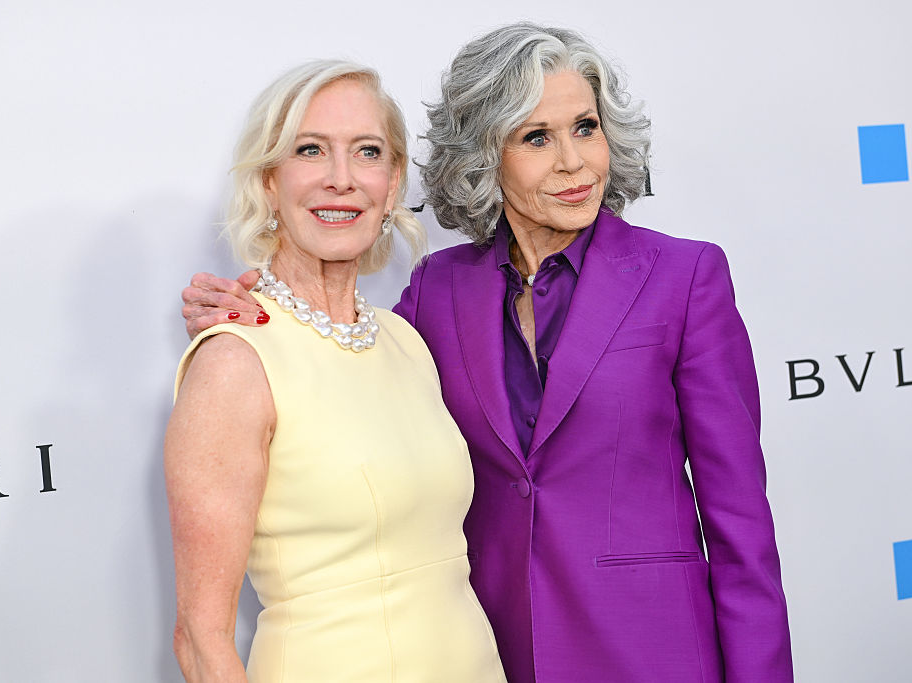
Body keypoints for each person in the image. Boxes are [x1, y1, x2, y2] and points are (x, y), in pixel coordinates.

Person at [184, 23, 793, 683]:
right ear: (485, 154)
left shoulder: (684, 279)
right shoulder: (435, 294)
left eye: (585, 128)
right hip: (495, 655)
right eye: (536, 137)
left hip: (654, 654)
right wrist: (252, 305)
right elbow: (336, 362)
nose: (573, 162)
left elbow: (742, 531)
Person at [165, 60, 505, 682]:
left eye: (367, 152)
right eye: (310, 150)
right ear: (270, 180)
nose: (341, 179)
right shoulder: (234, 361)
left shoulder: (407, 342)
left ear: (394, 180)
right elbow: (200, 637)